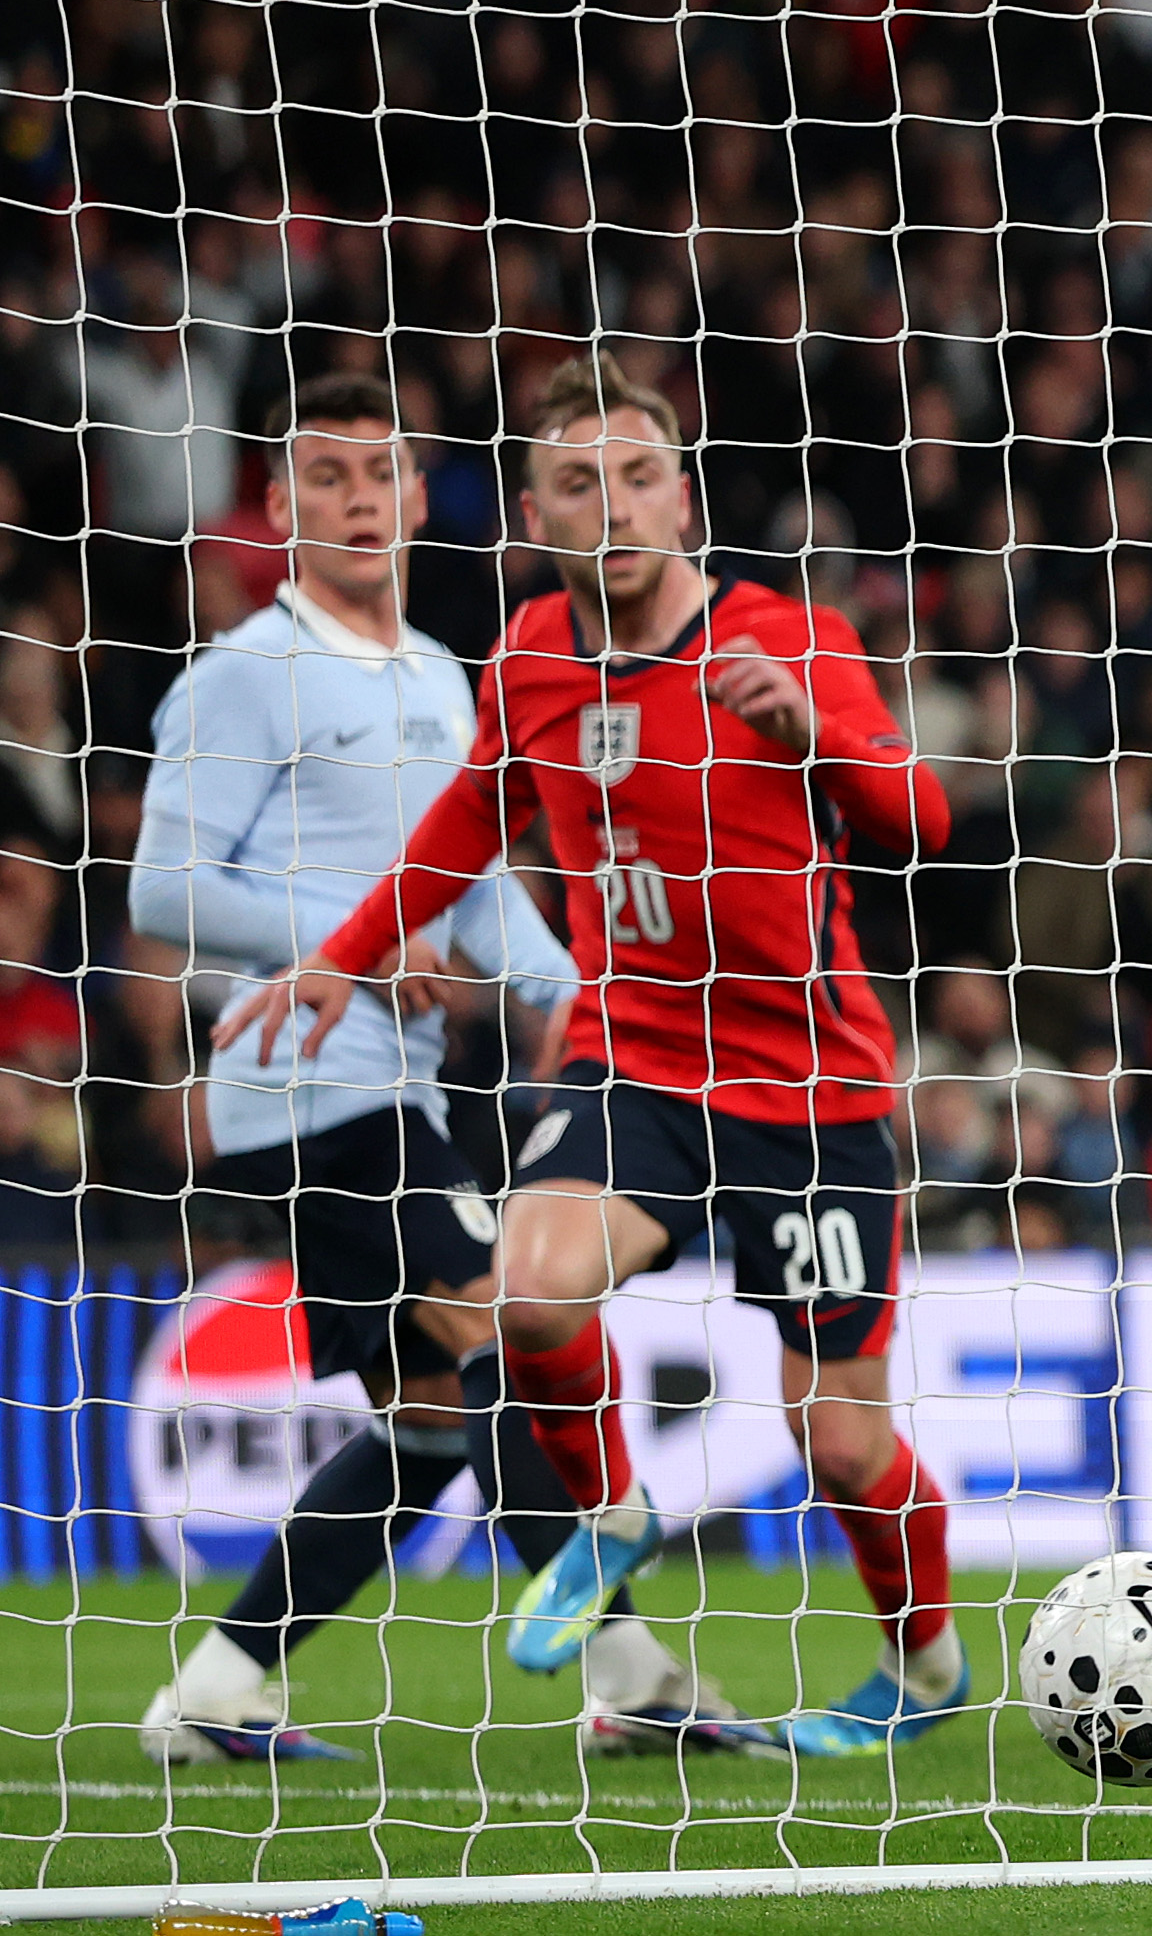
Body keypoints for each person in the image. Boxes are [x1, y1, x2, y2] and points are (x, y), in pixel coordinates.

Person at [240, 357, 960, 1757]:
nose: (616, 504)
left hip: (810, 1088)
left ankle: (924, 1667)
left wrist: (812, 734)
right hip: (633, 1062)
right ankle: (615, 1511)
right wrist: (339, 951)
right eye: (582, 482)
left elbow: (922, 815)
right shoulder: (528, 657)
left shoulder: (786, 635)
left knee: (842, 1441)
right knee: (530, 1293)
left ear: (680, 494)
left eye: (639, 475)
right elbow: (464, 823)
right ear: (536, 510)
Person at [136, 374, 744, 1761]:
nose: (359, 500)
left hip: (399, 1088)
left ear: (421, 499)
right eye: (327, 476)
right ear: (280, 508)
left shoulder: (438, 675)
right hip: (303, 1090)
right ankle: (634, 1675)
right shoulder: (243, 671)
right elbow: (163, 885)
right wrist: (347, 942)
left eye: (381, 475)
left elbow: (470, 887)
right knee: (504, 1328)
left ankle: (222, 1690)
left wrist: (590, 992)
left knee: (423, 1423)